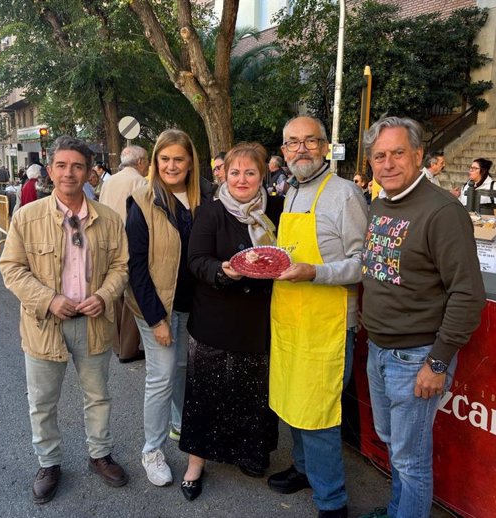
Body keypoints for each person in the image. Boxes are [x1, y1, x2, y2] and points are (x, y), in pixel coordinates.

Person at [361, 116, 485, 518]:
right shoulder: (380, 203)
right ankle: (398, 509)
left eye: (398, 153)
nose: (388, 163)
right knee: (393, 444)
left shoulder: (443, 211)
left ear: (418, 155)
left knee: (410, 459)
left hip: (417, 358)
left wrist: (438, 360)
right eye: (379, 156)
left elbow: (468, 294)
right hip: (379, 349)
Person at [0, 135, 130, 505]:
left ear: (89, 171)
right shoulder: (27, 217)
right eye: (61, 165)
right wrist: (49, 299)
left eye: (77, 166)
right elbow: (11, 268)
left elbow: (121, 266)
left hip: (94, 323)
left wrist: (103, 296)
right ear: (50, 170)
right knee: (42, 401)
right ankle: (49, 463)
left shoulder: (109, 219)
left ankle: (100, 455)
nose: (69, 172)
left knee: (98, 396)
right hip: (44, 325)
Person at [267, 116, 367, 518]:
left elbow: (363, 264)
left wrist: (316, 272)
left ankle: (332, 500)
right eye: (293, 143)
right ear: (285, 150)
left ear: (326, 147)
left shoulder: (344, 194)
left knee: (320, 414)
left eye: (311, 141)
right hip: (290, 317)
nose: (301, 149)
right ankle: (306, 470)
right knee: (293, 401)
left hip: (328, 323)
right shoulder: (290, 191)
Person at [179, 142, 282, 501]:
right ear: (224, 174)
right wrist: (223, 271)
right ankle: (196, 463)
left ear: (261, 176)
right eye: (234, 172)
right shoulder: (212, 212)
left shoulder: (277, 210)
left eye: (250, 172)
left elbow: (286, 255)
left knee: (253, 392)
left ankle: (250, 452)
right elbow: (195, 260)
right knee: (206, 393)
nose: (242, 179)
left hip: (258, 320)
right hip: (215, 317)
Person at [126, 129, 213, 488]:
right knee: (161, 377)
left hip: (194, 305)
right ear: (155, 163)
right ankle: (152, 450)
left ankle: (180, 423)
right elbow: (135, 266)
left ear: (190, 161)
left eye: (179, 158)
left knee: (181, 368)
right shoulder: (142, 200)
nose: (172, 165)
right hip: (154, 305)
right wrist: (156, 319)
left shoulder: (207, 197)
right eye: (165, 159)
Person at [100, 146, 149, 362]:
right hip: (130, 244)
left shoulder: (110, 181)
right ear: (139, 162)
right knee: (132, 297)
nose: (148, 165)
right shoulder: (140, 182)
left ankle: (118, 345)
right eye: (147, 160)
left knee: (116, 296)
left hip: (108, 244)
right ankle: (129, 349)